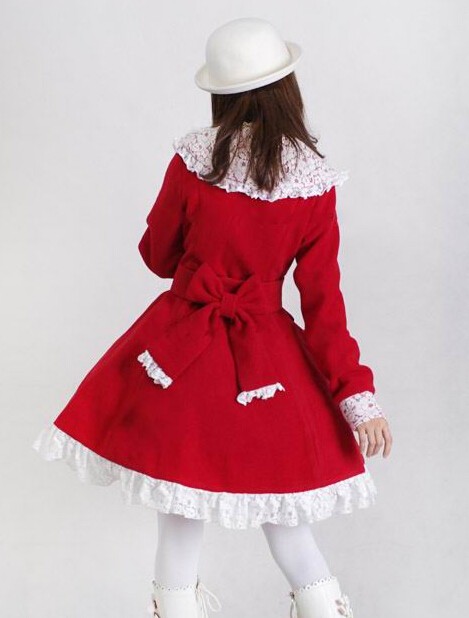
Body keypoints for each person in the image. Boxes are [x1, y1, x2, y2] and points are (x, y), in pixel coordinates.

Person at [32, 16, 393, 618]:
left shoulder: (194, 159)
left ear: (220, 93)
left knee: (179, 514)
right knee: (286, 516)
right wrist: (358, 399)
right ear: (287, 86)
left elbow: (157, 256)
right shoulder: (314, 183)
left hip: (182, 355)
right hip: (267, 370)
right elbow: (323, 304)